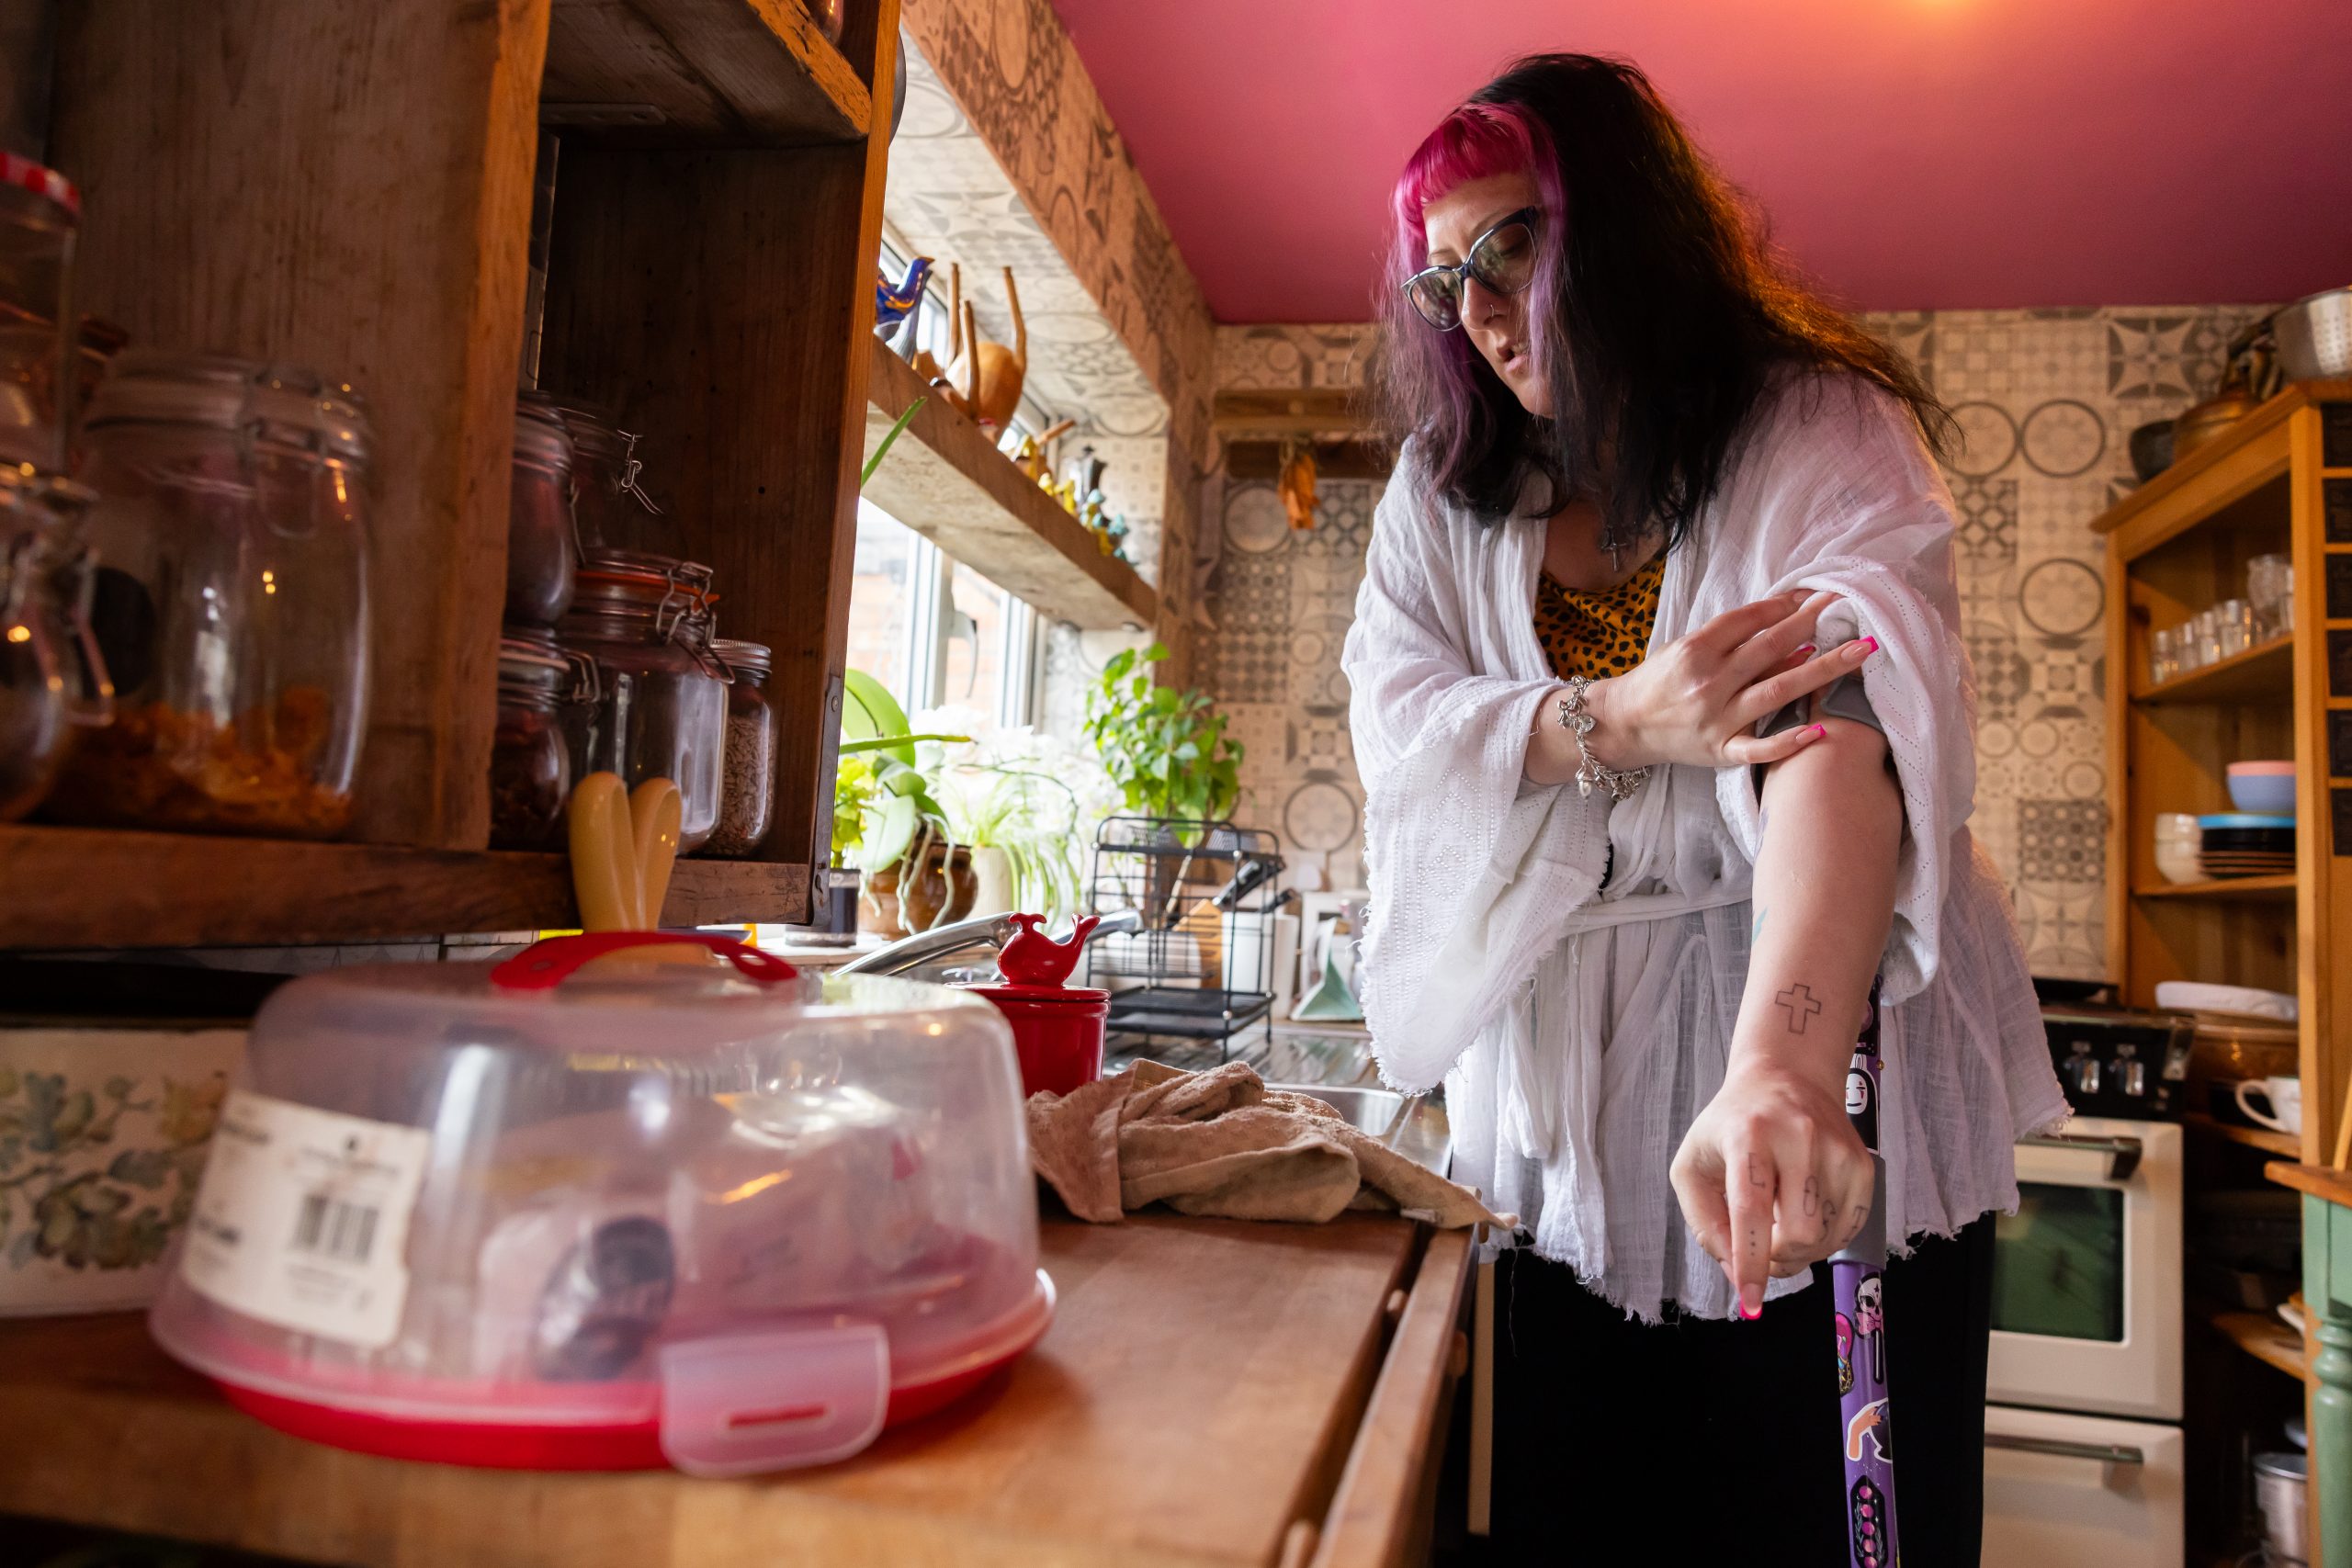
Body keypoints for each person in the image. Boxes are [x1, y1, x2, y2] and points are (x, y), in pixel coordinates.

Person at [1341, 53, 2065, 1565]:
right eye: (1442, 282)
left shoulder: (1815, 431)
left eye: (1513, 245)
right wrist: (1618, 718)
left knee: (1809, 1517)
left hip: (1813, 1062)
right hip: (1554, 1126)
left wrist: (1783, 1071)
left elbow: (1841, 728)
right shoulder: (1438, 494)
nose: (1475, 309)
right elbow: (1402, 734)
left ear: (1619, 226)